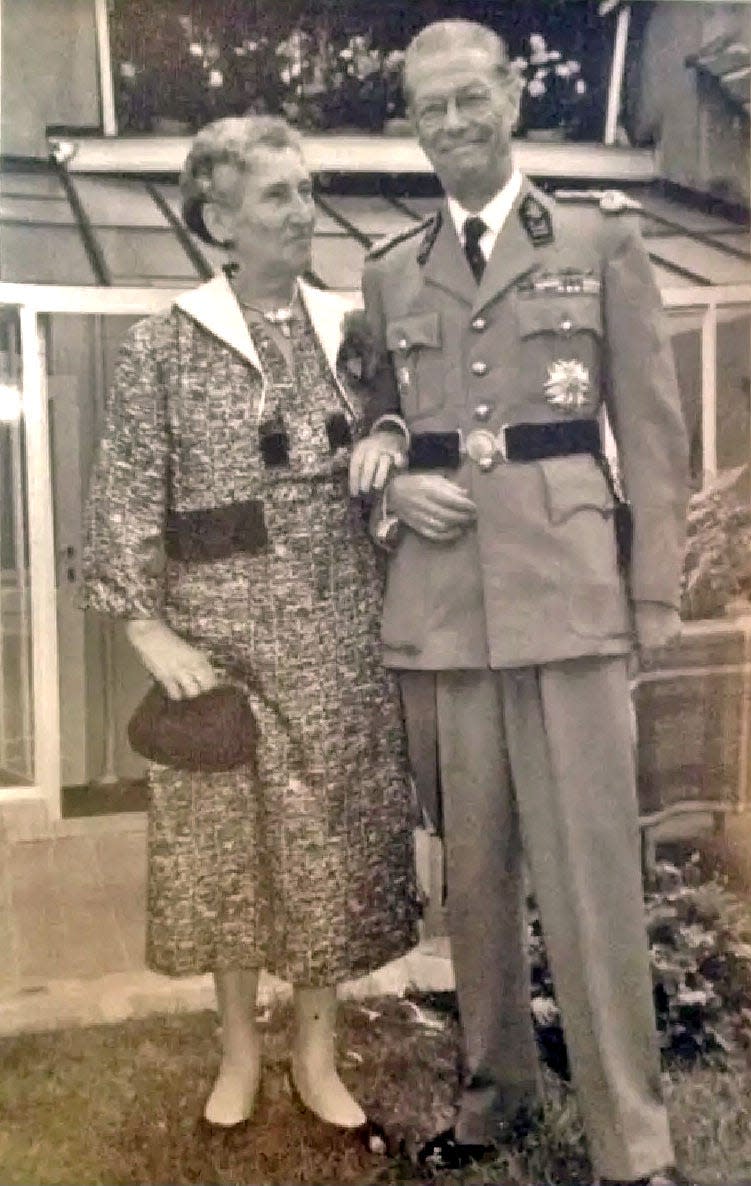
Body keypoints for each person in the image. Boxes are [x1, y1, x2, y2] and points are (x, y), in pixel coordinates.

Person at [350, 20, 692, 1186]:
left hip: (568, 600)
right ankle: (494, 1095)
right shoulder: (390, 268)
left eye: (468, 98)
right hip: (444, 613)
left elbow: (649, 431)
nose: (450, 122)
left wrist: (652, 595)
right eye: (427, 106)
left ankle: (631, 1143)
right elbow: (372, 418)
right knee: (478, 876)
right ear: (411, 120)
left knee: (593, 876)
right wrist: (395, 475)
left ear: (509, 99)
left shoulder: (602, 239)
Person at [82, 115, 418, 1139]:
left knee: (324, 848)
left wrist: (391, 448)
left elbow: (404, 427)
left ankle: (316, 1054)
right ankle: (237, 1052)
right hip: (215, 651)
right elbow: (125, 503)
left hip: (334, 644)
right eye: (275, 194)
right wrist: (150, 634)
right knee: (225, 856)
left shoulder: (351, 332)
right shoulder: (161, 346)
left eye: (303, 187)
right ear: (218, 218)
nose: (300, 208)